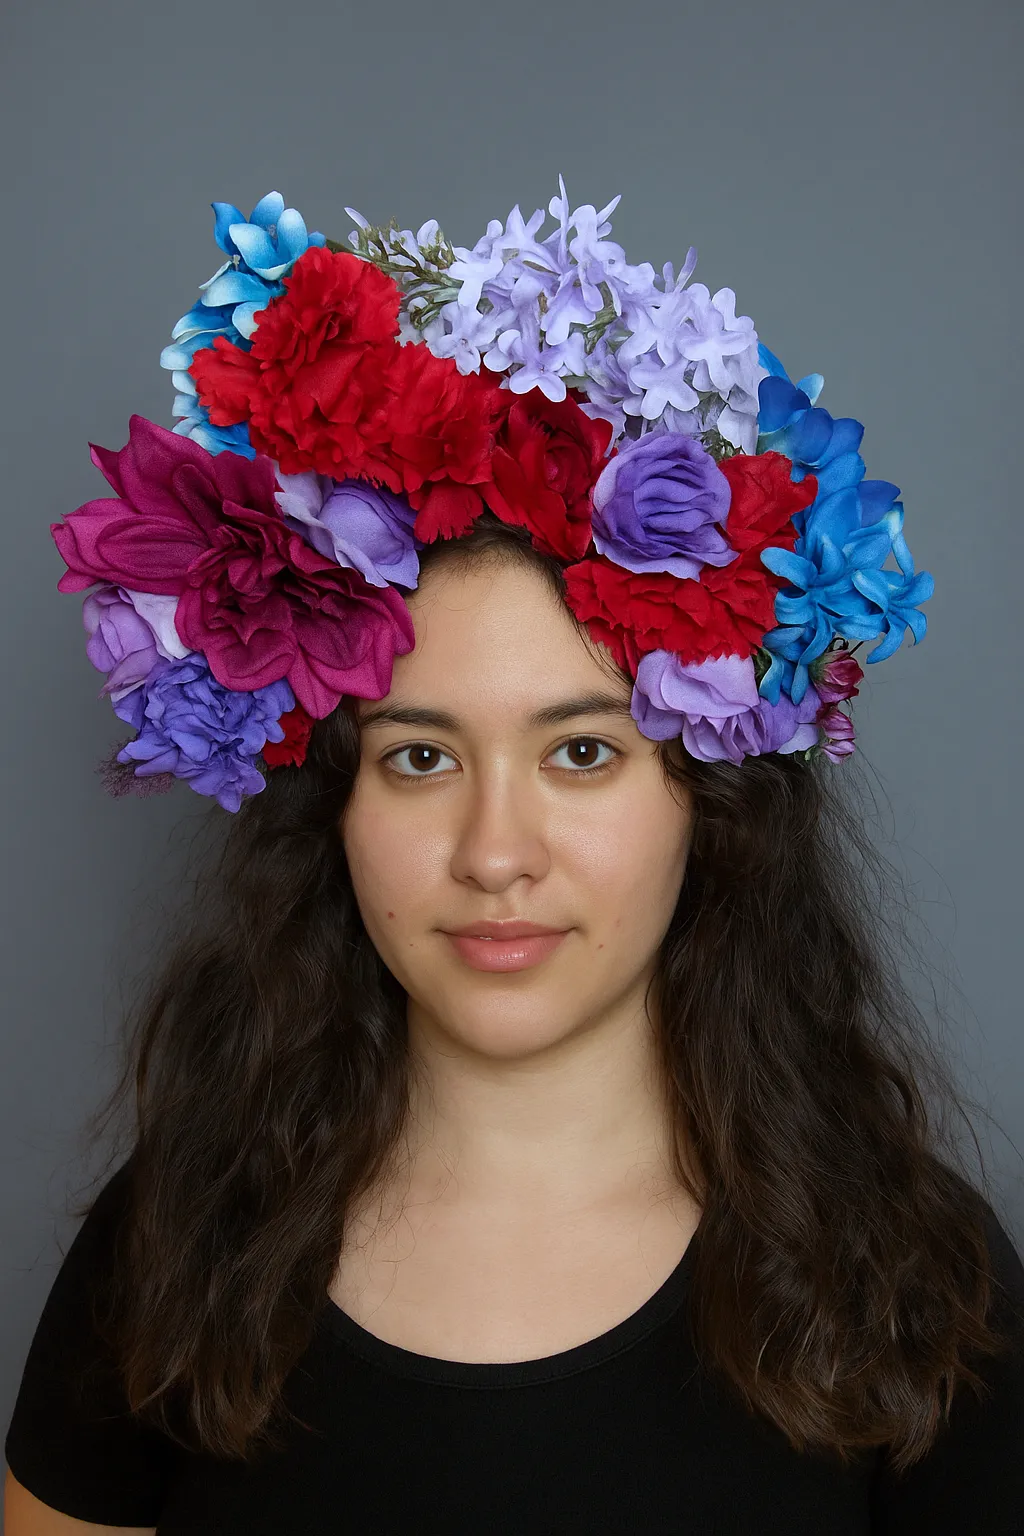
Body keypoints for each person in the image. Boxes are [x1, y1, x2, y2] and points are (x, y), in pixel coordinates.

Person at [5, 186, 1023, 1533]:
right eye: (420, 757)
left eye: (583, 754)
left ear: (710, 798)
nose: (495, 854)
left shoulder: (912, 1279)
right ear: (335, 811)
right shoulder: (178, 1248)